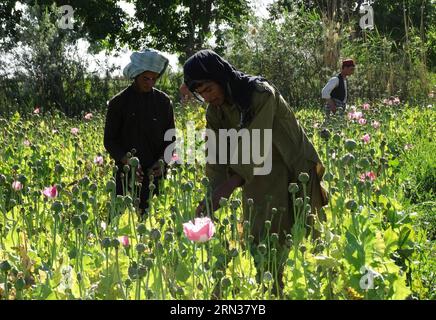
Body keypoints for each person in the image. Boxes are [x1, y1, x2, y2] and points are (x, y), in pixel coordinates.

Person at [183, 49, 328, 297]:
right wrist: (211, 196)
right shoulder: (215, 111)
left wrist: (227, 187)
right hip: (258, 173)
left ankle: (320, 288)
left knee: (310, 232)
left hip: (293, 165)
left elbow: (255, 142)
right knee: (263, 235)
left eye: (208, 89)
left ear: (221, 77)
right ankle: (273, 290)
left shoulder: (260, 94)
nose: (206, 98)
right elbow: (216, 157)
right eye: (200, 94)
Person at [104, 48, 175, 215]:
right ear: (136, 75)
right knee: (117, 223)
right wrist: (127, 162)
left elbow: (171, 139)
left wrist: (162, 161)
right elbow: (109, 141)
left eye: (154, 78)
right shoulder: (118, 103)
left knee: (153, 223)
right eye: (145, 78)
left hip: (154, 176)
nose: (149, 83)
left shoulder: (164, 102)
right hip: (125, 176)